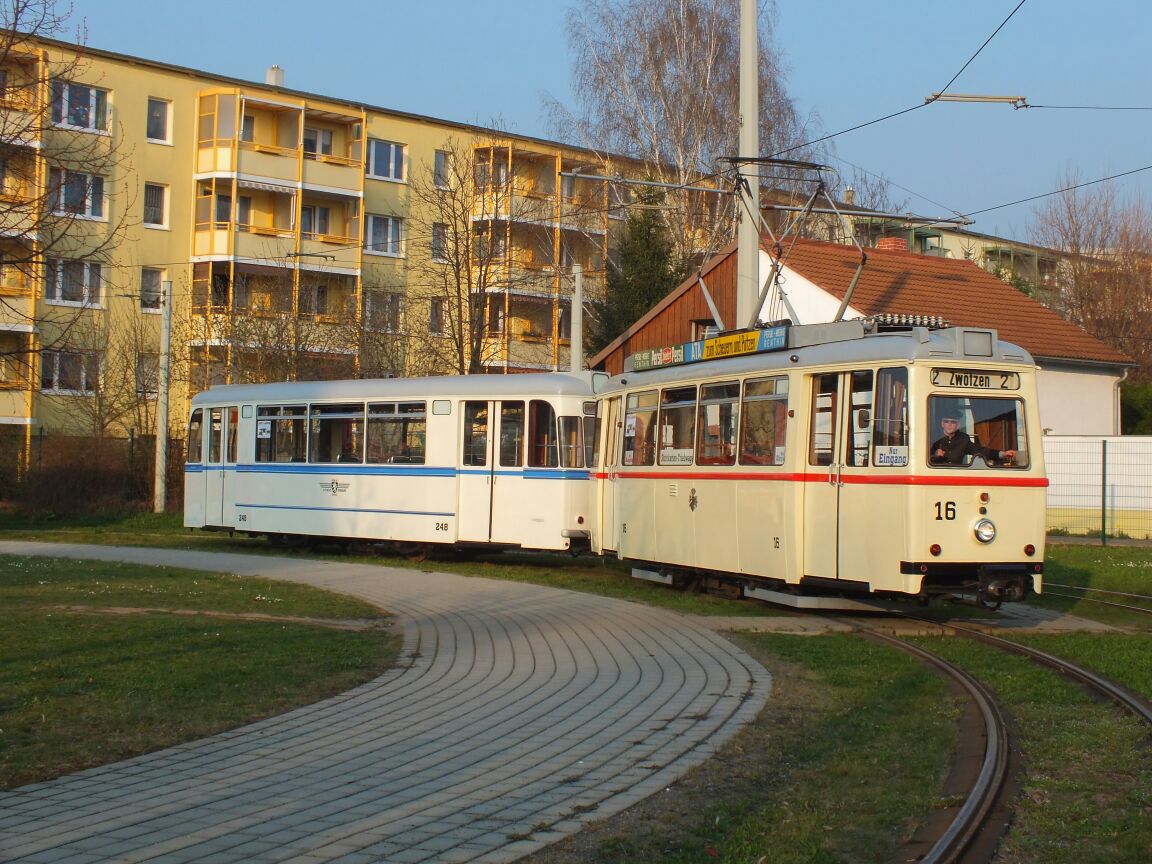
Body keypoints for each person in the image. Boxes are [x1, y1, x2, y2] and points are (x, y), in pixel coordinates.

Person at [930, 416, 1016, 465]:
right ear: (942, 424)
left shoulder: (963, 439)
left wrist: (1003, 454)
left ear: (958, 425)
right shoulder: (932, 438)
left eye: (953, 422)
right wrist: (935, 455)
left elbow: (980, 450)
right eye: (946, 421)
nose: (949, 424)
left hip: (956, 477)